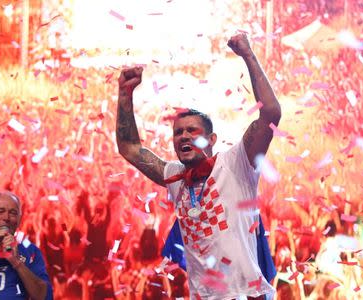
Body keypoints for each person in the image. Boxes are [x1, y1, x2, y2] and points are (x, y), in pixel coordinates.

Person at [116, 33, 281, 299]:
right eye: (178, 132)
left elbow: (271, 113)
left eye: (192, 130)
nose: (183, 136)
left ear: (211, 139)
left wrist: (248, 56)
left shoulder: (236, 163)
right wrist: (125, 95)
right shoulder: (175, 177)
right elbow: (130, 148)